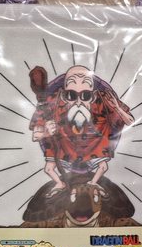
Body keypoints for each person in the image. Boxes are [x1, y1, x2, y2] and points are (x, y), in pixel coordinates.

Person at [30, 65, 134, 196]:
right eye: (71, 95)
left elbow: (130, 121)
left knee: (103, 166)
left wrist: (117, 108)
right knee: (49, 169)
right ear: (64, 94)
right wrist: (46, 132)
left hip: (95, 149)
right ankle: (60, 183)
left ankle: (93, 182)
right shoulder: (52, 102)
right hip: (63, 152)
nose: (78, 102)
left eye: (85, 95)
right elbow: (36, 136)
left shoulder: (104, 100)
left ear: (93, 94)